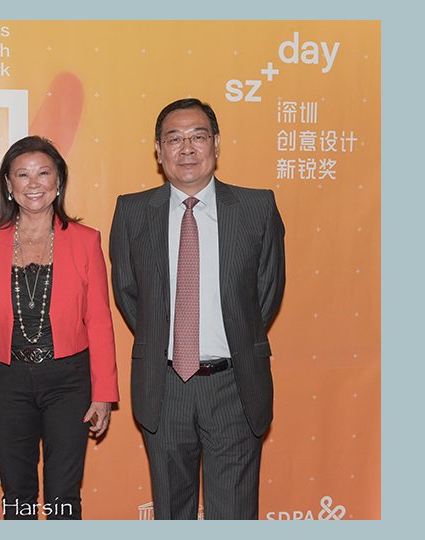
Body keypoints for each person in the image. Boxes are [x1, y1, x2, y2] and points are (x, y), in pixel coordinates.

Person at [109, 98, 286, 520]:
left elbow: (267, 292)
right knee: (172, 512)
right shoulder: (132, 212)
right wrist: (165, 340)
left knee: (234, 514)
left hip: (234, 386)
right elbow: (129, 293)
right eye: (174, 138)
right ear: (158, 150)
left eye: (198, 136)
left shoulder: (257, 208)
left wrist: (233, 338)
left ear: (216, 144)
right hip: (165, 386)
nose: (186, 148)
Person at [0, 136, 118, 519]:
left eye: (43, 173)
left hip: (68, 380)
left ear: (58, 181)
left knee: (64, 492)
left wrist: (103, 392)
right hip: (7, 380)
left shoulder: (85, 241)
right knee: (17, 491)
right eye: (23, 175)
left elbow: (99, 320)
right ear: (8, 184)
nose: (33, 184)